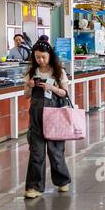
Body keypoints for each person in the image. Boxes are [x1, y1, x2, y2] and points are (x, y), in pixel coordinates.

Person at [23, 41, 73, 198]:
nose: (41, 60)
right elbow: (26, 95)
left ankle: (62, 181)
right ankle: (34, 187)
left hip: (55, 115)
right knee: (36, 152)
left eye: (43, 57)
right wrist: (30, 86)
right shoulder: (31, 72)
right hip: (36, 116)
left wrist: (51, 88)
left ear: (50, 55)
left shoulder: (58, 72)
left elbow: (65, 93)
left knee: (55, 150)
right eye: (37, 57)